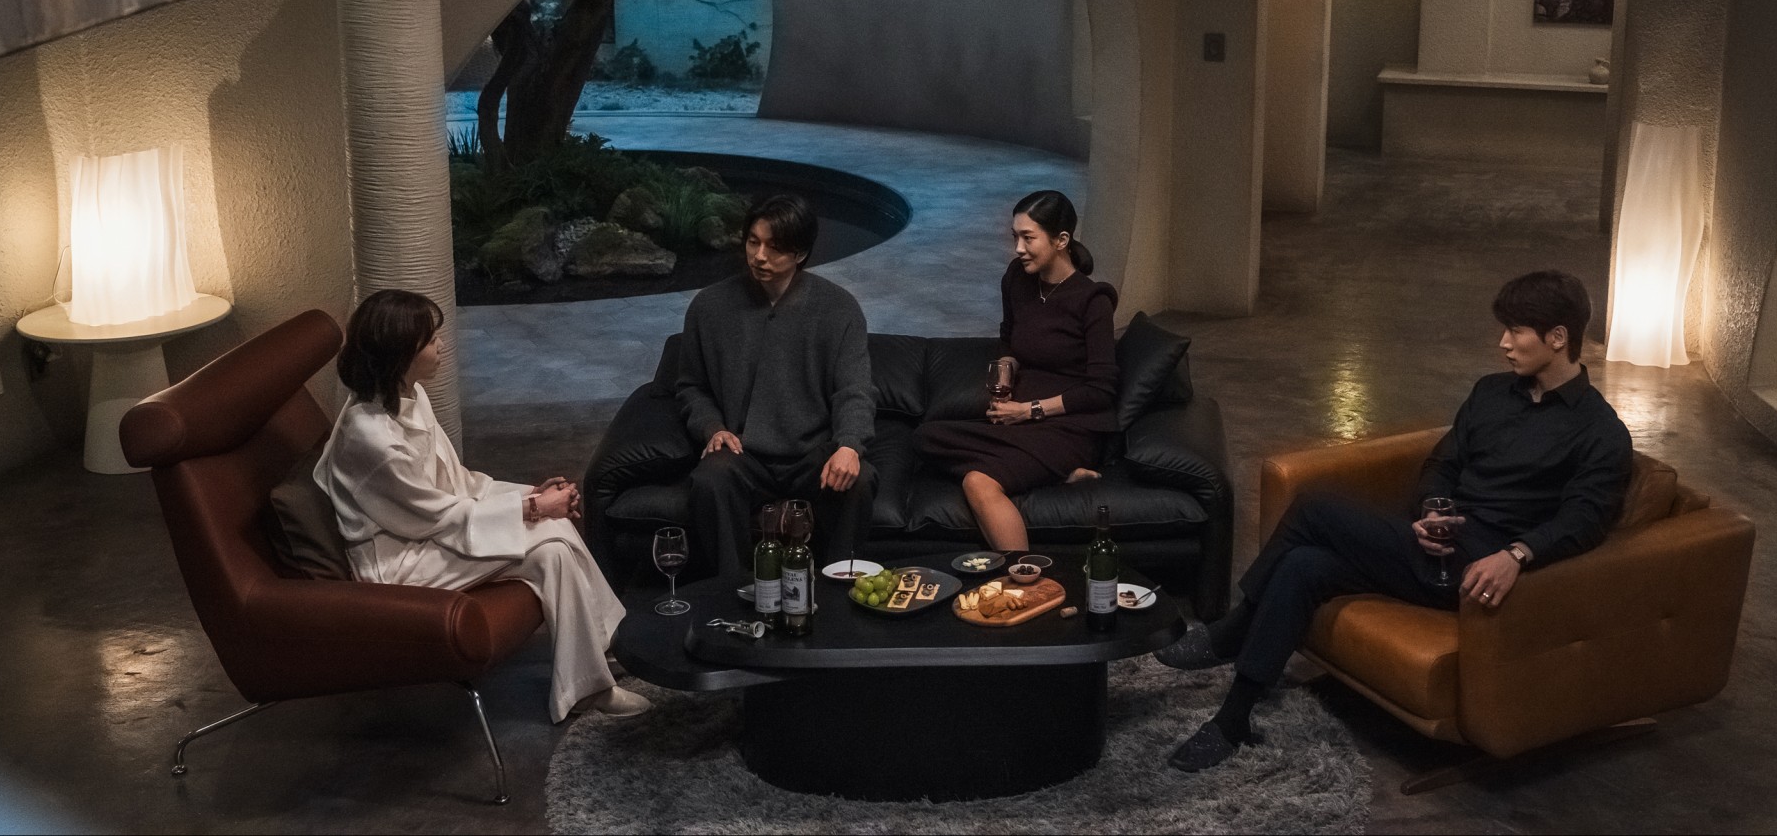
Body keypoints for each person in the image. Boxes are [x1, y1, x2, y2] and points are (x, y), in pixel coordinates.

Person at [1158, 270, 1633, 772]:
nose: (1503, 343)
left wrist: (1516, 555)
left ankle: (1233, 631)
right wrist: (1430, 509)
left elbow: (1585, 520)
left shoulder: (1600, 431)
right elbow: (1442, 463)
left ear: (1557, 337)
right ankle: (1232, 719)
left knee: (1315, 506)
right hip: (1434, 544)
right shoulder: (1492, 392)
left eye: (1516, 331)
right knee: (1303, 566)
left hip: (1479, 570)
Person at [315, 289, 650, 724]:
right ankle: (605, 655)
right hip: (399, 560)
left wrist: (528, 495)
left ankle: (592, 675)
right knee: (550, 532)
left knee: (552, 551)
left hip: (427, 533)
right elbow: (433, 516)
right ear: (400, 354)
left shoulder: (409, 395)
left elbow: (458, 483)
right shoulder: (371, 437)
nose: (442, 345)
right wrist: (534, 509)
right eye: (430, 340)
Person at [678, 194, 879, 581]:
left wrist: (850, 446)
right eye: (753, 242)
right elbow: (690, 386)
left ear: (800, 253)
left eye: (774, 247)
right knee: (709, 480)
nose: (759, 256)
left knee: (859, 481)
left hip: (813, 453)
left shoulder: (838, 308)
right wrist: (712, 428)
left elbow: (855, 390)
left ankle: (837, 595)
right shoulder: (709, 306)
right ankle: (730, 594)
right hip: (743, 452)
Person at [913, 190, 1119, 551]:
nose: (1018, 248)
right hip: (1020, 421)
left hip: (1068, 427)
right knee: (924, 437)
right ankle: (1053, 474)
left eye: (1028, 238)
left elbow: (1101, 390)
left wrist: (1028, 410)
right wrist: (1006, 370)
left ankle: (1022, 578)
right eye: (1015, 237)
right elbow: (1008, 338)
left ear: (1061, 240)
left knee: (977, 480)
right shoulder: (1017, 279)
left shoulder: (1093, 301)